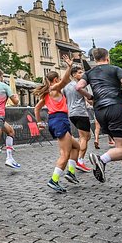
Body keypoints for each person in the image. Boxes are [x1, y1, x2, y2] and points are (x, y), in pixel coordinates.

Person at [76, 47, 122, 198]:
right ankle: (101, 159)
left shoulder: (89, 73)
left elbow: (78, 87)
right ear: (107, 57)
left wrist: (90, 97)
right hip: (115, 108)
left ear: (95, 59)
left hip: (100, 111)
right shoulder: (115, 69)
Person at [35, 56, 81, 192]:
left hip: (58, 120)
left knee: (76, 146)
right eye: (59, 79)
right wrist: (69, 67)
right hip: (59, 120)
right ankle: (53, 180)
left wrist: (39, 122)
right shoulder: (54, 89)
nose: (61, 81)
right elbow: (65, 80)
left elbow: (37, 108)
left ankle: (71, 172)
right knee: (65, 154)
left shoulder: (48, 93)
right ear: (55, 80)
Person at [63, 66, 94, 172]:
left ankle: (77, 159)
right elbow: (89, 100)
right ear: (74, 75)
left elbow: (64, 100)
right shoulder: (80, 85)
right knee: (84, 137)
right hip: (81, 113)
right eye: (80, 72)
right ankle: (79, 160)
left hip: (71, 113)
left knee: (86, 136)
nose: (82, 74)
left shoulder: (66, 87)